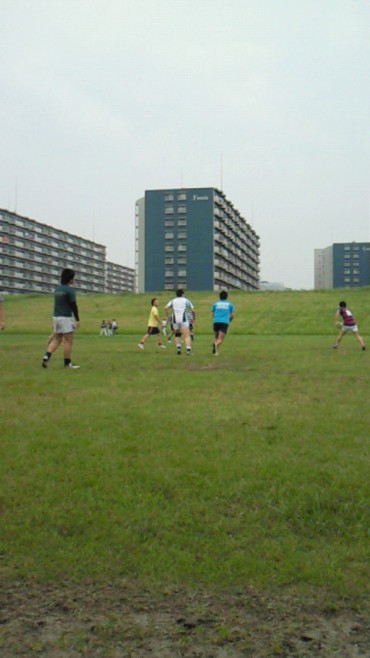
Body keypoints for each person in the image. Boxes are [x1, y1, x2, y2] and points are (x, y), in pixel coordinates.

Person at [41, 268, 80, 368]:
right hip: (65, 318)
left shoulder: (57, 289)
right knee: (68, 341)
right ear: (70, 279)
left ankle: (46, 356)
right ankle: (67, 363)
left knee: (56, 340)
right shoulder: (70, 290)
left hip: (56, 317)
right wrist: (77, 319)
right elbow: (74, 306)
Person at [165, 289, 195, 356]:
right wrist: (193, 319)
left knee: (177, 335)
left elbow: (165, 308)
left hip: (175, 320)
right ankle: (188, 350)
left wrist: (168, 316)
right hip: (183, 320)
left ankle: (178, 349)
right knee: (187, 335)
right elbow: (193, 310)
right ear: (182, 294)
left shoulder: (173, 301)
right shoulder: (186, 300)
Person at [211, 290, 234, 356]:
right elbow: (232, 315)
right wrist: (230, 320)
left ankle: (216, 352)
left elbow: (212, 314)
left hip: (216, 321)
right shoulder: (230, 304)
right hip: (224, 322)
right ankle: (215, 345)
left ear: (219, 296)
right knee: (220, 339)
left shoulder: (215, 304)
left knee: (216, 337)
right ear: (227, 297)